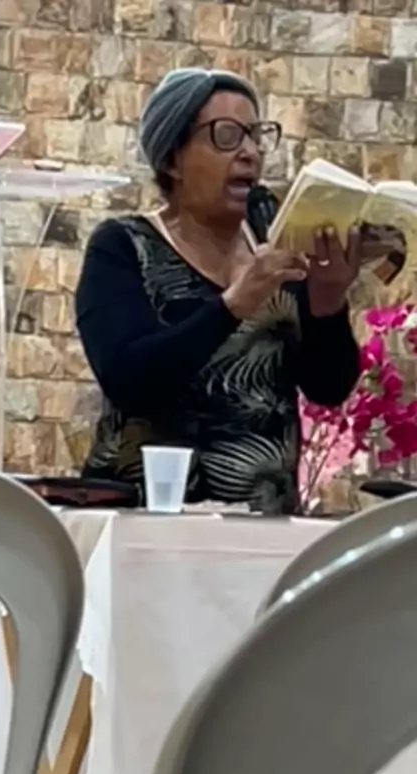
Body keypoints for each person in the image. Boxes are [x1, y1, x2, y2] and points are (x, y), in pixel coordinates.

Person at [76, 68, 363, 514]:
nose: (250, 152)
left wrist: (328, 304)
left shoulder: (273, 240)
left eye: (256, 135)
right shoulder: (122, 246)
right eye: (226, 136)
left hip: (263, 522)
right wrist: (233, 306)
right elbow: (129, 378)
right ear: (172, 159)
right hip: (146, 519)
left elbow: (328, 386)